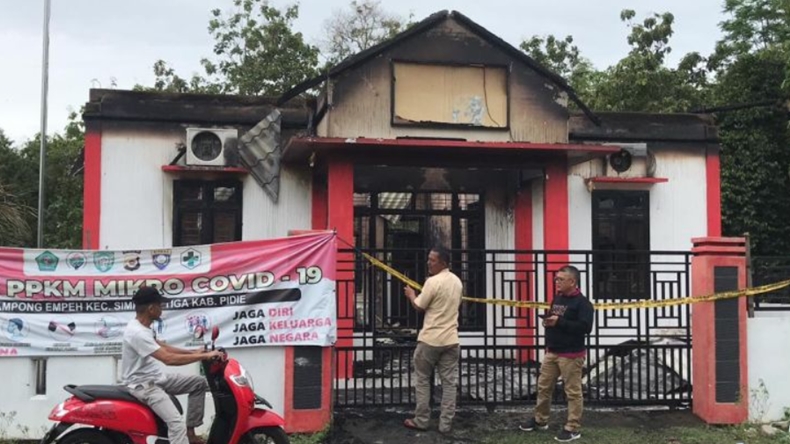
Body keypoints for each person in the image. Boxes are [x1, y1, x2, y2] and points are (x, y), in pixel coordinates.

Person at [122, 286, 223, 444]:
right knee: (176, 425)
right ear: (151, 308)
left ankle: (191, 433)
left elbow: (162, 347)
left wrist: (193, 352)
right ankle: (184, 433)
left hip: (156, 378)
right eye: (160, 305)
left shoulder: (142, 327)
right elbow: (168, 359)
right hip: (145, 386)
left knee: (198, 383)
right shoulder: (137, 333)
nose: (162, 309)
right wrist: (204, 356)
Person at [520, 265, 594, 442]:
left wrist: (559, 322)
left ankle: (572, 427)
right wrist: (548, 322)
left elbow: (585, 327)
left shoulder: (583, 304)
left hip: (571, 354)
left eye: (561, 279)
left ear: (572, 282)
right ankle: (540, 420)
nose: (557, 282)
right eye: (556, 279)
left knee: (572, 392)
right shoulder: (558, 298)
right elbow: (556, 318)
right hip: (552, 352)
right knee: (543, 387)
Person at [402, 246, 463, 434]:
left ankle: (421, 420)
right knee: (449, 383)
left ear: (443, 263)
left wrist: (411, 295)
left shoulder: (433, 282)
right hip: (451, 339)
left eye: (433, 260)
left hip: (430, 339)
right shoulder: (457, 281)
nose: (429, 262)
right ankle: (446, 424)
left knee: (422, 380)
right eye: (429, 259)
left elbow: (420, 306)